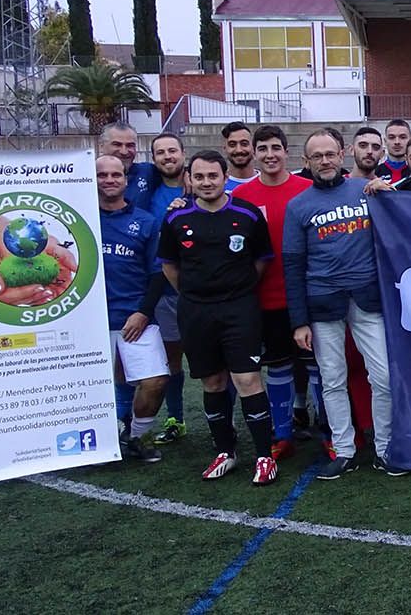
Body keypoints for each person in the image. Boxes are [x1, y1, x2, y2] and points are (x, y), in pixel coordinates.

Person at [284, 129, 402, 479]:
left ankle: (386, 448)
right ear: (306, 162)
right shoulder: (299, 206)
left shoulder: (366, 190)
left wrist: (387, 194)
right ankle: (345, 450)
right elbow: (293, 264)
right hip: (322, 303)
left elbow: (399, 223)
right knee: (332, 379)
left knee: (383, 377)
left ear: (343, 154)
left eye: (330, 154)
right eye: (316, 156)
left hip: (367, 298)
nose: (325, 161)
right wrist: (298, 321)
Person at [158, 150, 277, 485]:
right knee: (212, 383)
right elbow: (169, 265)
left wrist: (235, 289)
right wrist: (194, 294)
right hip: (196, 311)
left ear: (226, 177)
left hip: (239, 309)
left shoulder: (248, 214)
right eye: (199, 177)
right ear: (189, 180)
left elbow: (262, 260)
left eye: (213, 176)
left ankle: (265, 456)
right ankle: (226, 451)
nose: (206, 182)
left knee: (248, 380)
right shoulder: (175, 219)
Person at [232, 125, 314, 461]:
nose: (270, 155)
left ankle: (329, 432)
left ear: (287, 152)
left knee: (317, 368)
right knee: (278, 367)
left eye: (276, 148)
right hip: (265, 298)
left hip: (309, 295)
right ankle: (282, 434)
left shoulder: (307, 189)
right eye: (263, 148)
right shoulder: (242, 197)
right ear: (254, 153)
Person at [96, 154, 169, 463]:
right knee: (98, 385)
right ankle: (102, 437)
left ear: (126, 180)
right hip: (90, 320)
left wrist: (143, 312)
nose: (110, 180)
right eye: (102, 175)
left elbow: (157, 273)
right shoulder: (79, 220)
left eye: (116, 175)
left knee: (155, 381)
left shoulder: (145, 221)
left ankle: (136, 435)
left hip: (133, 316)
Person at [143, 132, 190, 444]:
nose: (167, 156)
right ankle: (176, 419)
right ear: (154, 159)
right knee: (172, 357)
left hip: (204, 287)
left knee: (221, 360)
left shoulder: (202, 182)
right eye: (160, 152)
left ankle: (224, 423)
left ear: (183, 153)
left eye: (172, 150)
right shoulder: (147, 190)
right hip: (164, 288)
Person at [98, 122, 155, 204]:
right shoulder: (87, 178)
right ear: (101, 146)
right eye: (117, 144)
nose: (124, 152)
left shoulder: (148, 172)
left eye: (130, 145)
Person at [220, 122, 258, 189]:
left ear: (253, 147)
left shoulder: (268, 181)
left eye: (244, 144)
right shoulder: (218, 186)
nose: (239, 150)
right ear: (224, 149)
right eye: (232, 145)